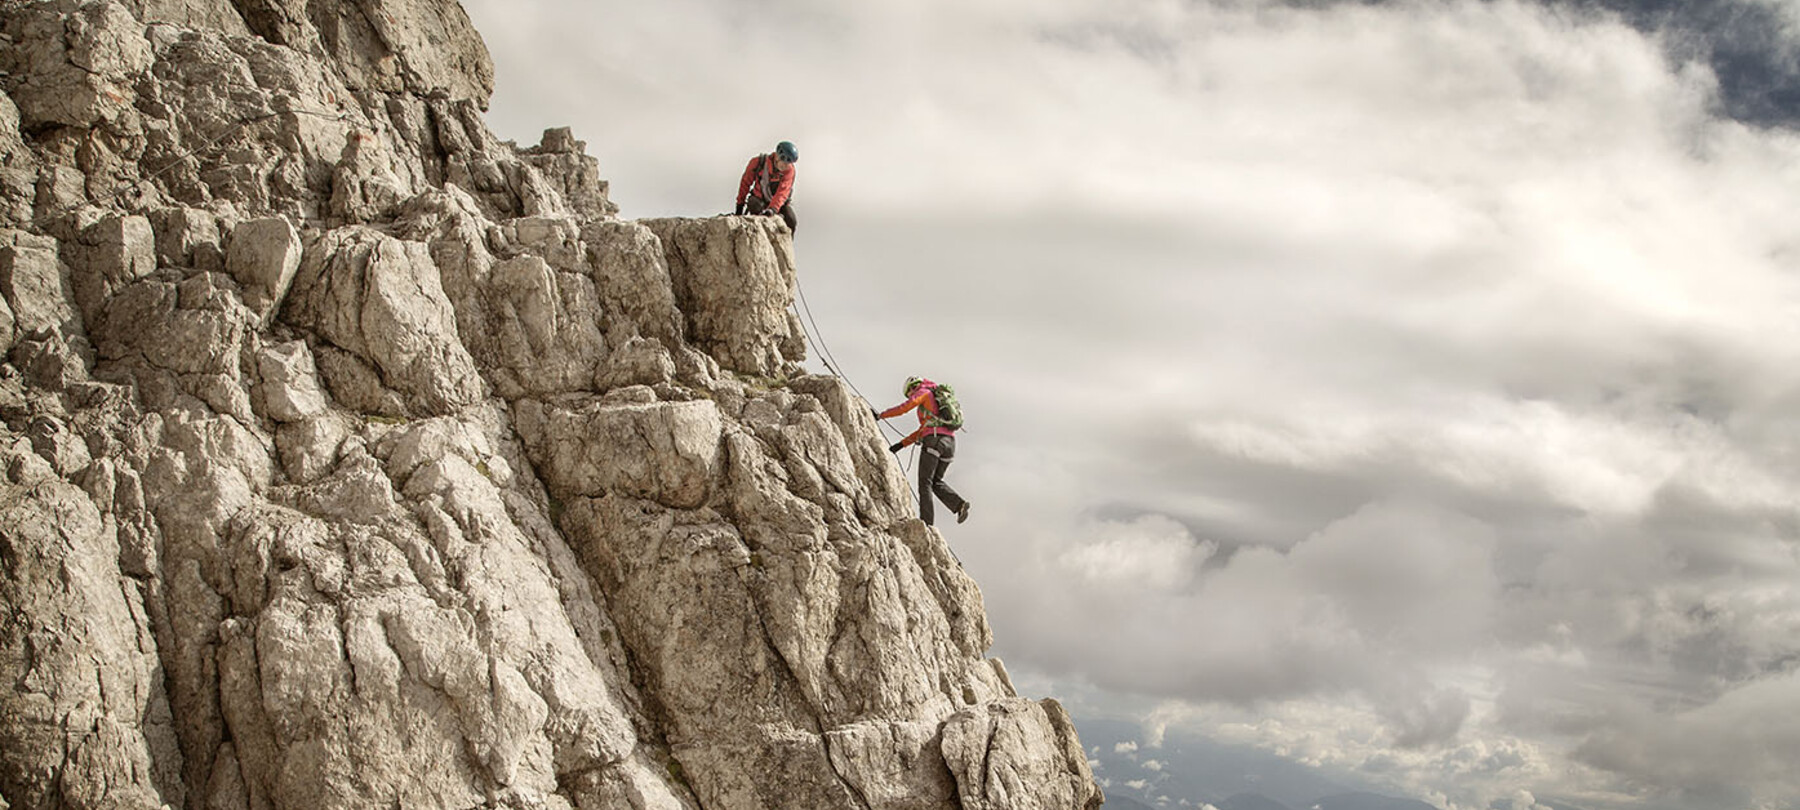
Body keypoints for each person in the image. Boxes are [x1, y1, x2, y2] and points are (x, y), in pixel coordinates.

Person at [875, 376, 970, 526]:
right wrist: (900, 445)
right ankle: (959, 505)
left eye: (909, 393)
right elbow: (923, 430)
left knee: (924, 483)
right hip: (950, 444)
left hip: (934, 441)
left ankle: (927, 524)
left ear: (912, 387)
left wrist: (881, 415)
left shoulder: (924, 392)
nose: (911, 396)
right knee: (936, 482)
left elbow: (905, 408)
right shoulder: (938, 404)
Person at [735, 140, 799, 233]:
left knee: (791, 220)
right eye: (784, 162)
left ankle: (786, 245)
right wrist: (739, 207)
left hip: (779, 204)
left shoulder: (789, 171)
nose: (785, 166)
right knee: (754, 205)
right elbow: (745, 183)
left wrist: (772, 209)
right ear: (777, 157)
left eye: (788, 164)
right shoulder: (757, 163)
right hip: (759, 199)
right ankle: (755, 234)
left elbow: (783, 192)